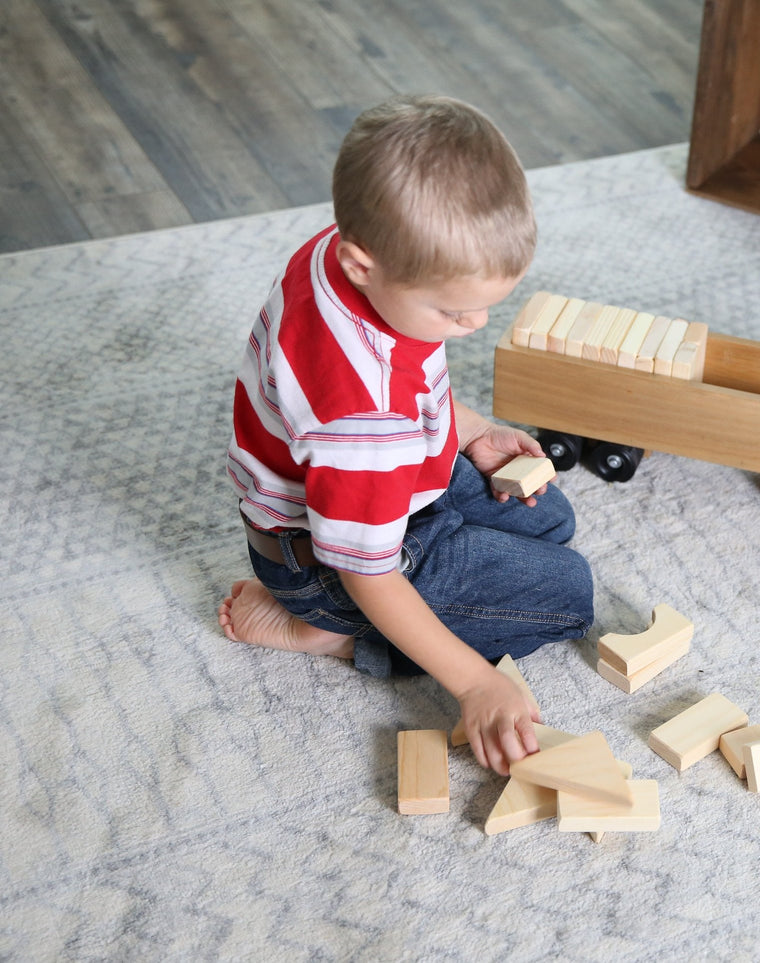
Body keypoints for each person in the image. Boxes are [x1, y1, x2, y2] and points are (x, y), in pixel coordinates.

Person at [217, 95, 593, 776]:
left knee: (548, 519)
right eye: (455, 310)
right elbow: (368, 569)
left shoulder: (343, 253)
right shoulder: (362, 418)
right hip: (332, 563)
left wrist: (469, 430)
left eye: (487, 304)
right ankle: (324, 633)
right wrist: (477, 683)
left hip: (384, 482)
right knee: (568, 596)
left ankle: (352, 609)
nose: (475, 323)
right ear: (364, 264)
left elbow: (414, 372)